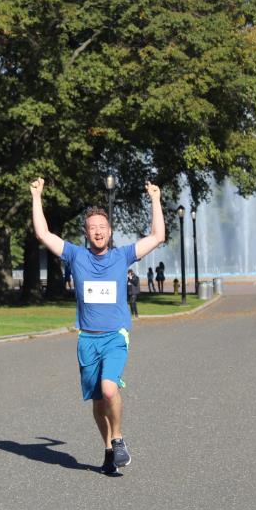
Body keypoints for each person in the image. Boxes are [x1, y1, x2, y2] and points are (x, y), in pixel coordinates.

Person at [30, 176, 165, 475]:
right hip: (87, 339)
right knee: (97, 401)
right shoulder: (75, 255)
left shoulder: (122, 256)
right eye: (93, 228)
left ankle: (118, 439)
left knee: (108, 389)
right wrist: (37, 197)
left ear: (110, 231)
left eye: (102, 227)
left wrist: (155, 199)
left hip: (115, 336)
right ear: (86, 233)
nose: (98, 231)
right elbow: (42, 233)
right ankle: (108, 450)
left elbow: (157, 236)